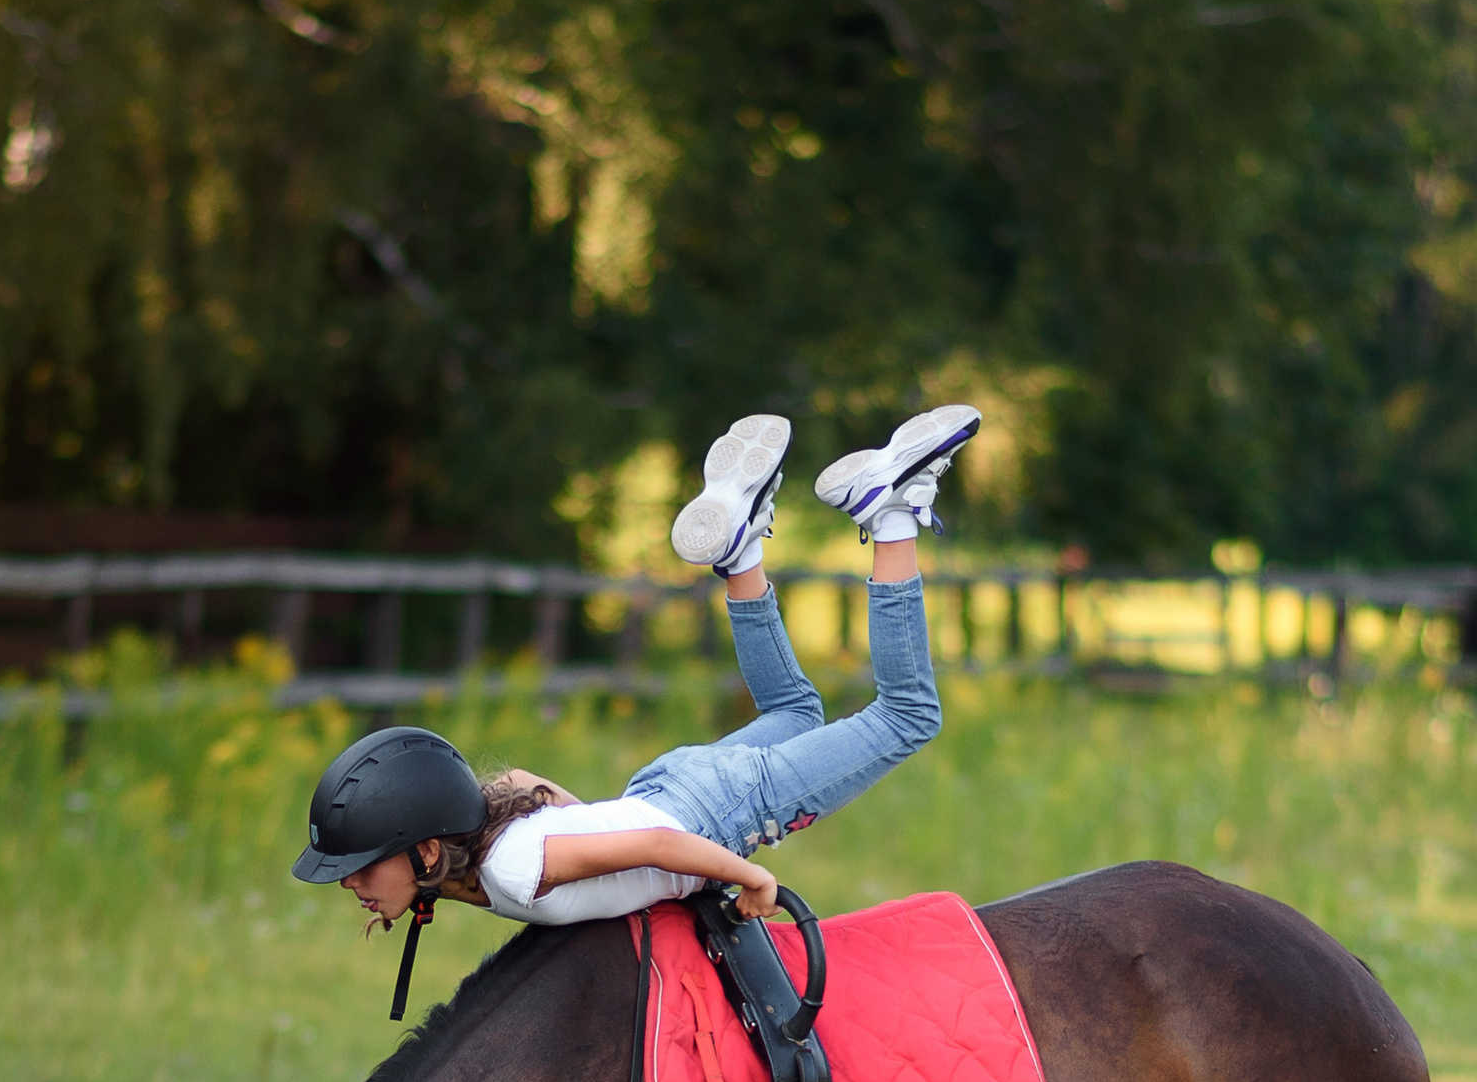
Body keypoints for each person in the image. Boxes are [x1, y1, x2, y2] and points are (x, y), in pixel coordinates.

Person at [289, 405, 980, 955]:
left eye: (363, 864)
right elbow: (523, 782)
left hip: (711, 810)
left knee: (908, 714)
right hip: (667, 791)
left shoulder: (509, 870)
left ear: (428, 850)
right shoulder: (491, 852)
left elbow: (653, 847)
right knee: (797, 711)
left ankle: (889, 511)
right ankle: (739, 551)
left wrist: (753, 876)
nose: (350, 882)